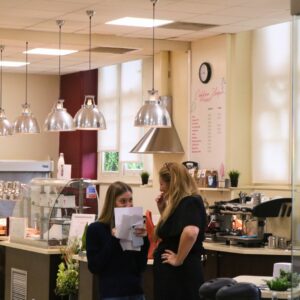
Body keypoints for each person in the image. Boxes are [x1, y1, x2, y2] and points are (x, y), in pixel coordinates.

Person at [86, 181, 150, 300]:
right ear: (112, 204)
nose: (128, 205)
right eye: (123, 201)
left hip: (136, 292)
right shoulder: (96, 229)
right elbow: (94, 266)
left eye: (130, 200)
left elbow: (141, 266)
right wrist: (114, 239)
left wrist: (145, 239)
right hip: (112, 294)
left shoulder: (134, 227)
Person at [153, 162, 207, 300]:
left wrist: (178, 259)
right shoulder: (181, 203)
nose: (160, 188)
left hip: (180, 276)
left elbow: (190, 232)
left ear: (174, 183)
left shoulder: (190, 202)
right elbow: (176, 230)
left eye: (162, 184)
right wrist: (163, 209)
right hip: (173, 275)